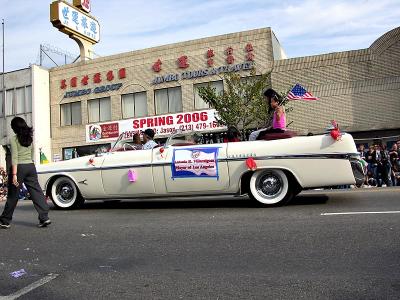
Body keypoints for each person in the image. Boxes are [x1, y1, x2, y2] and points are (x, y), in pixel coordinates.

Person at [0, 117, 51, 229]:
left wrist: (14, 175)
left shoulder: (14, 139)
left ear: (15, 128)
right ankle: (44, 217)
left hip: (19, 168)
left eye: (12, 127)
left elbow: (14, 157)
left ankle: (5, 221)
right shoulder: (30, 137)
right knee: (36, 192)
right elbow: (32, 153)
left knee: (13, 195)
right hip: (31, 166)